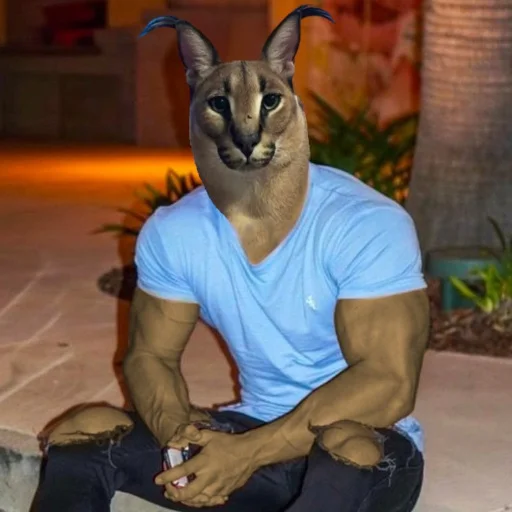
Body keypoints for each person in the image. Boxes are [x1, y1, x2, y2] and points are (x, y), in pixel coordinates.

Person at [35, 6, 429, 512]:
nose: (247, 129)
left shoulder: (365, 223)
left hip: (360, 444)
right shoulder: (174, 231)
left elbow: (389, 383)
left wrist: (246, 454)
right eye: (221, 105)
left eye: (269, 104)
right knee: (84, 431)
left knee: (345, 445)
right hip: (252, 428)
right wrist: (182, 439)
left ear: (292, 103)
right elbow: (150, 357)